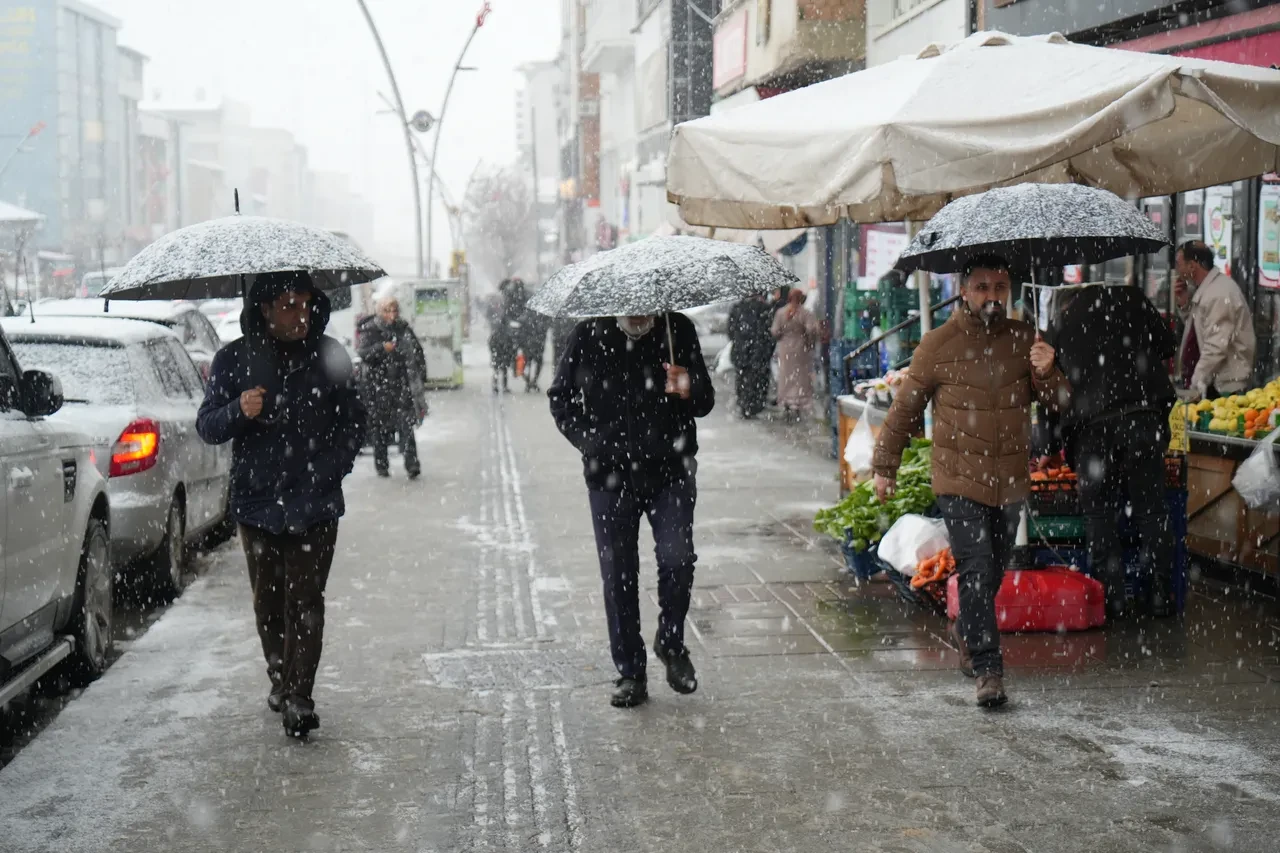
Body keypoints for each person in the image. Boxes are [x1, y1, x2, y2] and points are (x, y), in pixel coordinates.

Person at [872, 255, 1068, 709]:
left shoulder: (1026, 341)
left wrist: (1047, 371)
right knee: (978, 570)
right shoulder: (937, 344)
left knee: (992, 570)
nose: (992, 296)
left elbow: (1059, 404)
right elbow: (903, 409)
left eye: (1000, 287)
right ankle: (988, 668)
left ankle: (966, 628)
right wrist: (886, 464)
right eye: (982, 287)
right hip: (958, 480)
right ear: (964, 291)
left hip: (1010, 482)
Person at [197, 271, 366, 738]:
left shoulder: (330, 355)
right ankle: (279, 675)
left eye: (307, 304)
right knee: (268, 604)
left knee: (306, 602)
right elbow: (207, 425)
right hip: (257, 506)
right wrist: (239, 410)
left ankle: (299, 696)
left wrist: (327, 471)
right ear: (265, 309)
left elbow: (355, 423)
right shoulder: (234, 360)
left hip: (315, 505)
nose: (301, 314)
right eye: (289, 305)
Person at [548, 313, 714, 708]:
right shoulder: (588, 333)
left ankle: (671, 644)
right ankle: (630, 671)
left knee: (678, 560)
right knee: (618, 574)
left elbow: (705, 401)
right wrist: (591, 441)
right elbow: (560, 397)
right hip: (609, 477)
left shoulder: (678, 330)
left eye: (646, 305)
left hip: (669, 470)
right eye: (631, 306)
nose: (639, 313)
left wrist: (689, 386)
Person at [1051, 283, 1178, 619]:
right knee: (1152, 510)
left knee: (1099, 515)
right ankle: (1159, 596)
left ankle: (1110, 599)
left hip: (1092, 428)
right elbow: (1168, 344)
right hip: (1142, 419)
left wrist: (1050, 443)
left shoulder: (1064, 323)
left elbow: (1054, 385)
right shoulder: (1133, 299)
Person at [1174, 241, 1256, 400]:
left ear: (1192, 266)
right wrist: (1184, 303)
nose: (1177, 270)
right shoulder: (1208, 290)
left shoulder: (1218, 294)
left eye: (1179, 264)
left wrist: (1196, 384)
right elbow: (1200, 331)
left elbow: (1215, 345)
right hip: (1213, 384)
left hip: (1223, 388)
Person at [357, 295, 427, 479]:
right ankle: (381, 465)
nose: (392, 314)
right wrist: (381, 348)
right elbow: (363, 353)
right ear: (380, 312)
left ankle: (412, 464)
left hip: (401, 386)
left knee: (406, 426)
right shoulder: (370, 329)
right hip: (378, 388)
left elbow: (417, 352)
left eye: (395, 310)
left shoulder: (403, 329)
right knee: (380, 429)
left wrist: (420, 377)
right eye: (388, 310)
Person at [770, 288, 821, 417]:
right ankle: (798, 400)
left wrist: (783, 335)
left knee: (786, 374)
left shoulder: (781, 312)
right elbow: (812, 330)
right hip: (800, 348)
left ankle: (786, 399)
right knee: (800, 375)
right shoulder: (805, 313)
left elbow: (775, 331)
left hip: (785, 348)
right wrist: (809, 341)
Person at [727, 294, 775, 418]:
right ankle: (753, 405)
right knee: (758, 379)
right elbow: (769, 333)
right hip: (759, 352)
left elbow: (730, 330)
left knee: (743, 378)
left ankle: (744, 404)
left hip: (742, 352)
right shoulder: (765, 308)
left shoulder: (737, 308)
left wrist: (739, 342)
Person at [518, 304, 552, 393]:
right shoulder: (541, 317)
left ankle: (530, 382)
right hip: (536, 345)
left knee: (529, 364)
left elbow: (521, 332)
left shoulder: (526, 317)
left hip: (531, 345)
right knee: (536, 364)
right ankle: (532, 382)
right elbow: (544, 330)